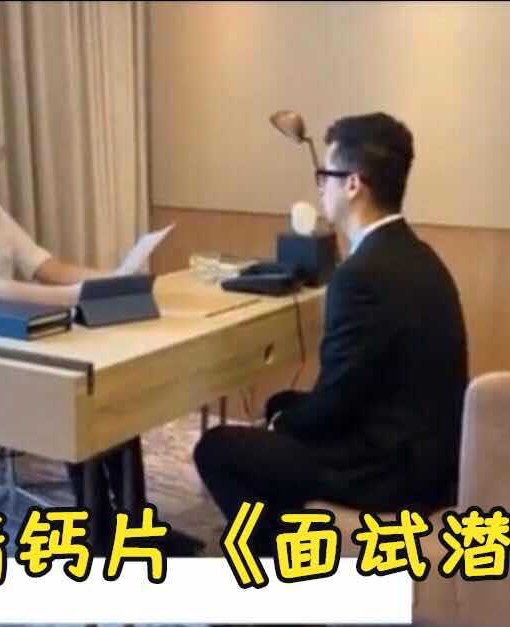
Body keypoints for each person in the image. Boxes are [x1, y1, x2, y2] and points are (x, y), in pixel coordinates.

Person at [194, 112, 469, 555]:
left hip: (387, 476)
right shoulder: (420, 257)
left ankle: (276, 552)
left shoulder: (362, 275)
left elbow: (335, 404)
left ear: (353, 184)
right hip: (428, 458)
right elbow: (354, 388)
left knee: (217, 449)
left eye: (326, 175)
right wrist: (284, 413)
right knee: (280, 405)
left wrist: (282, 423)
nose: (320, 186)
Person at [0, 97, 143, 548]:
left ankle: (132, 525)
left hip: (15, 343)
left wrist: (114, 279)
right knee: (81, 398)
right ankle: (99, 536)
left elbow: (48, 267)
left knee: (115, 394)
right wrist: (71, 297)